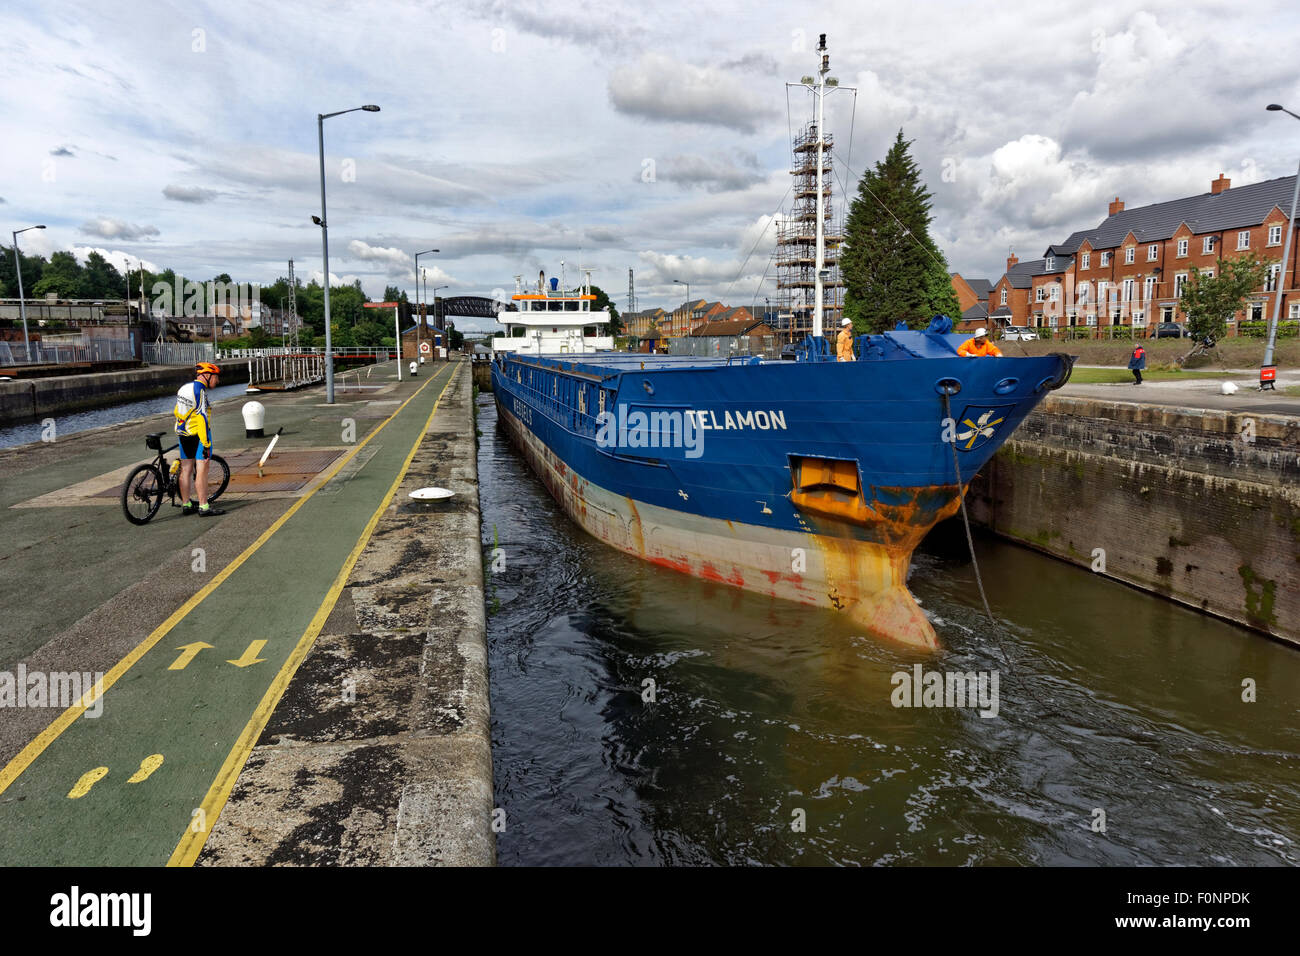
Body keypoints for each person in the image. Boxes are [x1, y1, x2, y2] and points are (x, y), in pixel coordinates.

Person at [173, 362, 226, 516]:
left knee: (186, 470)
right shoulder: (200, 391)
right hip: (198, 435)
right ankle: (204, 507)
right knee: (201, 471)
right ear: (207, 375)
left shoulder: (183, 388)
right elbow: (202, 417)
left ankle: (187, 504)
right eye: (216, 377)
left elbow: (177, 410)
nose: (217, 381)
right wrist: (206, 443)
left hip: (183, 434)